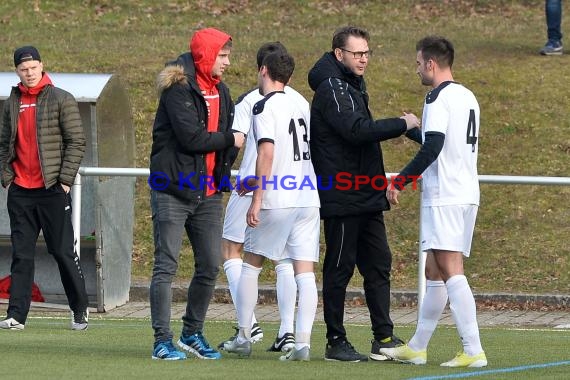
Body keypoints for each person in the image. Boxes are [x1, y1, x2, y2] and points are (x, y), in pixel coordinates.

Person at [307, 26, 420, 362]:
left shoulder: (352, 84)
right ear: (339, 54)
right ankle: (335, 341)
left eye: (367, 52)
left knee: (378, 264)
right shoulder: (332, 87)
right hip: (343, 196)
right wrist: (403, 124)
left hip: (366, 194)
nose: (364, 59)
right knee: (339, 268)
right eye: (357, 53)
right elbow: (355, 132)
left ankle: (383, 337)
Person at [381, 36, 487, 368]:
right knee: (434, 270)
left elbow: (434, 148)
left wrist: (400, 180)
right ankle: (417, 346)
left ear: (431, 64)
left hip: (446, 195)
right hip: (465, 191)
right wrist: (413, 128)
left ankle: (473, 350)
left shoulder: (437, 97)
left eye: (418, 64)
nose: (417, 70)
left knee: (451, 269)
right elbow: (444, 142)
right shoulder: (467, 96)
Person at [148, 27, 245, 360]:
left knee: (209, 266)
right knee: (166, 266)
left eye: (228, 56)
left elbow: (225, 135)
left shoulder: (224, 91)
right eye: (223, 55)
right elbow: (192, 138)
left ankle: (192, 333)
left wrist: (221, 171)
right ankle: (162, 341)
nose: (227, 62)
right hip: (172, 191)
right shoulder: (178, 89)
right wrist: (231, 141)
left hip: (208, 195)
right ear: (206, 54)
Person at [223, 51, 320, 362]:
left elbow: (266, 153)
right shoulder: (302, 104)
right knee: (303, 270)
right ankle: (301, 343)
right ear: (289, 76)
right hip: (307, 195)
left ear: (263, 70)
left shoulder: (262, 105)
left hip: (278, 197)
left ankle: (243, 334)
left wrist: (257, 198)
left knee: (251, 262)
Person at [0, 46, 89, 331]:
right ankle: (16, 316)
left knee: (62, 251)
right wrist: (7, 176)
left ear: (41, 66)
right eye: (23, 70)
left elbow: (77, 141)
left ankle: (79, 309)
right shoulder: (11, 102)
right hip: (20, 192)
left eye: (33, 68)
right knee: (21, 253)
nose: (29, 73)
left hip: (52, 189)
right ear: (17, 72)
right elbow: (3, 144)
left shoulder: (61, 98)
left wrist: (64, 181)